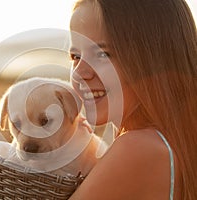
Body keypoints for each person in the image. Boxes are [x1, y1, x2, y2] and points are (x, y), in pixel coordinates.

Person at [68, 0, 197, 199]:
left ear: (153, 60)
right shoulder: (172, 141)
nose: (80, 73)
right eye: (75, 56)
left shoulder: (137, 147)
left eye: (103, 54)